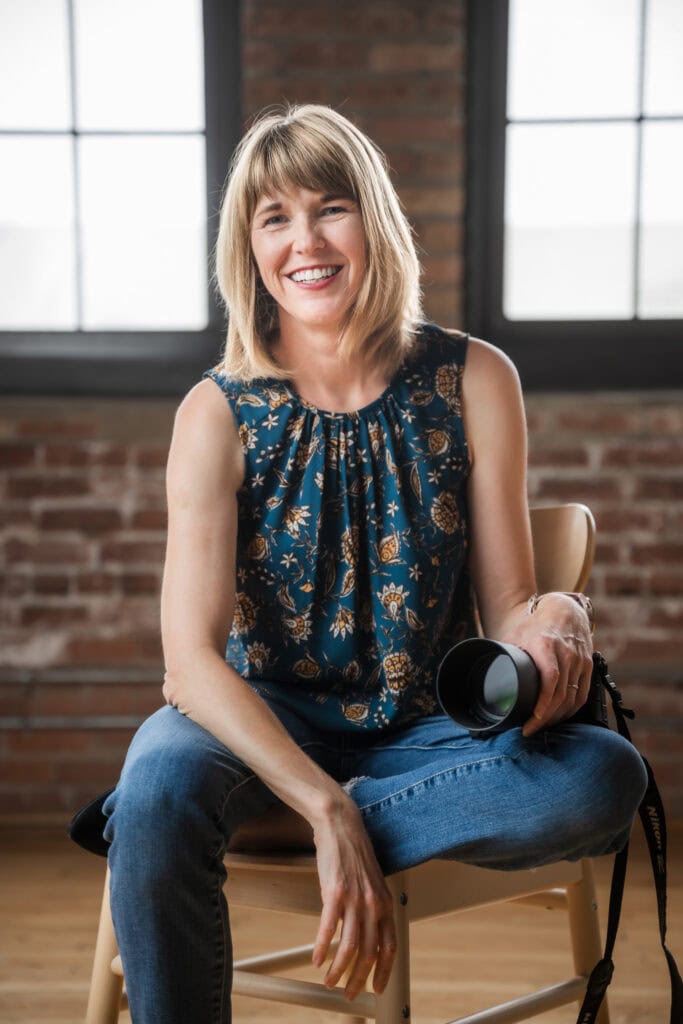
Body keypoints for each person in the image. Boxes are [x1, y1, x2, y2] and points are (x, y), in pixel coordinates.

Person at [102, 104, 647, 1023]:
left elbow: (506, 599)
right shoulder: (216, 412)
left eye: (330, 207)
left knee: (604, 776)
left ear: (375, 222)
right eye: (274, 218)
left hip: (425, 732)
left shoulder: (475, 378)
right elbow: (188, 664)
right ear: (249, 247)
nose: (305, 240)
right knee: (156, 784)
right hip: (254, 721)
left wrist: (559, 607)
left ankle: (308, 819)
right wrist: (325, 807)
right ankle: (312, 818)